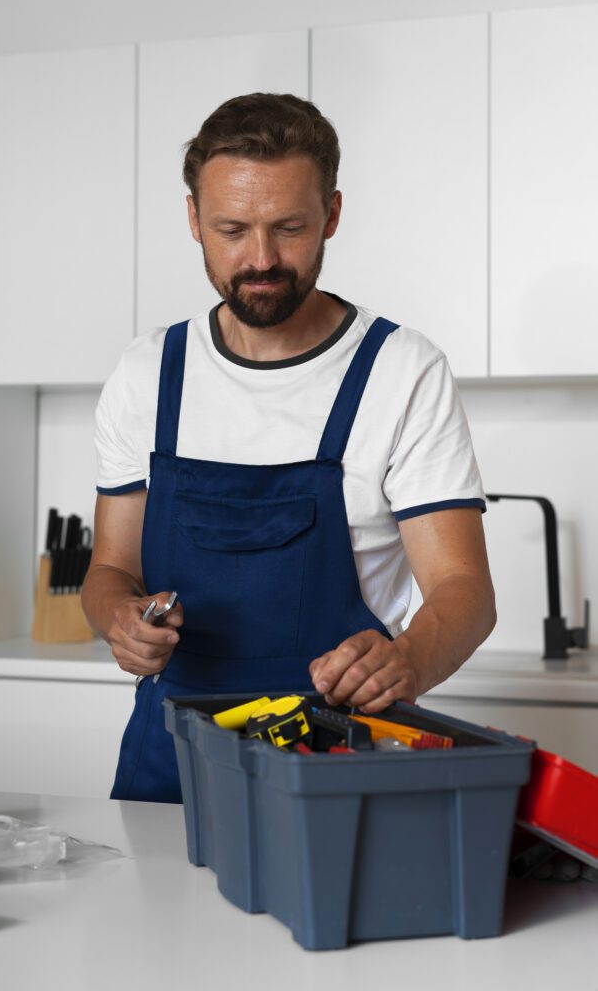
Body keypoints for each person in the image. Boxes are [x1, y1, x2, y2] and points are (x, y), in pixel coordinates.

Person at [81, 92, 496, 804]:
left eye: (290, 228)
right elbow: (110, 568)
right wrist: (117, 620)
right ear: (193, 221)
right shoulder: (148, 371)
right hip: (170, 757)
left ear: (332, 214)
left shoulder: (399, 371)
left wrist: (406, 661)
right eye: (232, 229)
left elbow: (464, 592)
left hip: (334, 760)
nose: (261, 259)